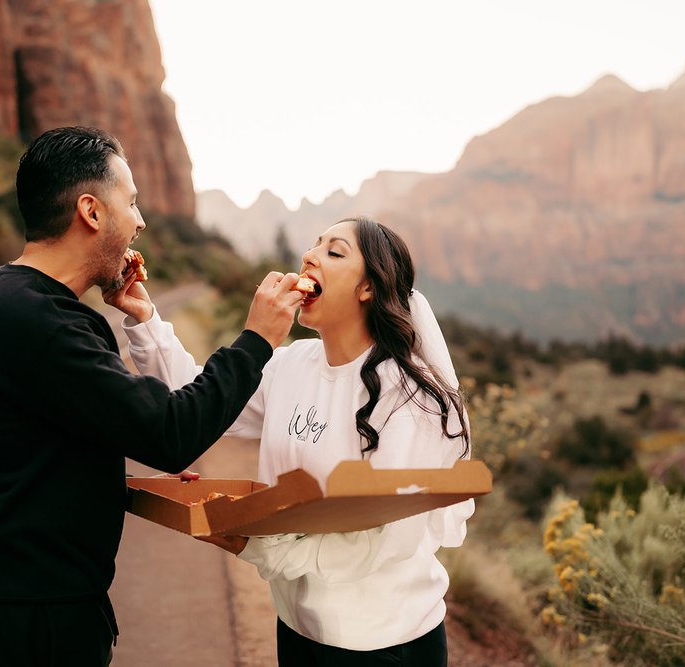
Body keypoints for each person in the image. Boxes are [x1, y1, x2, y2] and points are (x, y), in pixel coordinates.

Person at [0, 126, 303, 666]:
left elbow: (42, 450)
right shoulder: (41, 321)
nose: (141, 221)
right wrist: (257, 339)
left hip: (10, 603)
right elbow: (172, 432)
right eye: (131, 202)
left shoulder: (12, 298)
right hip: (28, 619)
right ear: (91, 211)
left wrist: (115, 480)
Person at [114, 217, 472, 666]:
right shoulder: (291, 364)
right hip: (298, 628)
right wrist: (144, 317)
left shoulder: (408, 397)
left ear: (368, 288)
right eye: (313, 245)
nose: (309, 256)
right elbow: (204, 402)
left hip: (384, 642)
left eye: (334, 251)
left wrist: (258, 546)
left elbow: (389, 539)